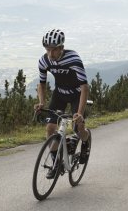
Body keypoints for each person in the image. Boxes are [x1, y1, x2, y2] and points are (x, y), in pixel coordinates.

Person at [34, 28, 90, 179]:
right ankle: (56, 164)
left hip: (76, 94)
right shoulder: (44, 61)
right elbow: (42, 84)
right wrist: (41, 102)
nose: (50, 54)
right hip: (59, 94)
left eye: (53, 50)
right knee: (50, 128)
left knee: (78, 128)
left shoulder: (73, 59)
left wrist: (79, 113)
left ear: (61, 48)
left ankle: (85, 141)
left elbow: (85, 87)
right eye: (47, 50)